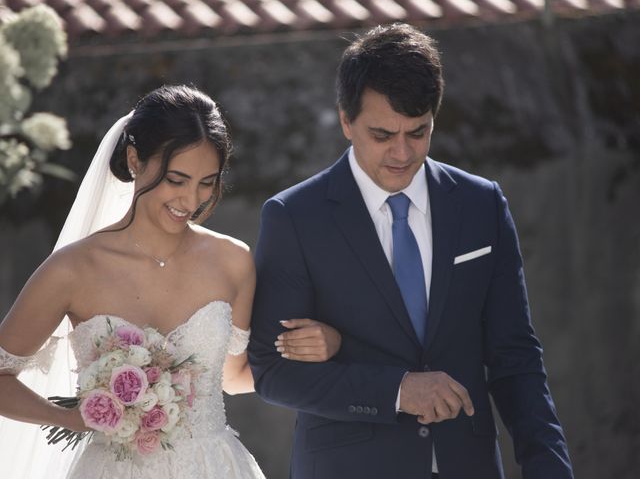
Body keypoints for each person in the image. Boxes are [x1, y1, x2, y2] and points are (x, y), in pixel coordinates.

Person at [248, 23, 574, 478]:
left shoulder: (482, 205)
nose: (401, 152)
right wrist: (398, 391)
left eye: (418, 133)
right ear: (346, 120)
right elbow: (271, 371)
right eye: (382, 135)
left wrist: (549, 468)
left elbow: (515, 356)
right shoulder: (294, 217)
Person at [0, 84, 341, 479]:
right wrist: (72, 418)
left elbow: (233, 377)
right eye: (176, 179)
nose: (190, 199)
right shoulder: (72, 269)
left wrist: (321, 349)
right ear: (134, 160)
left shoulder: (234, 261)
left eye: (206, 182)